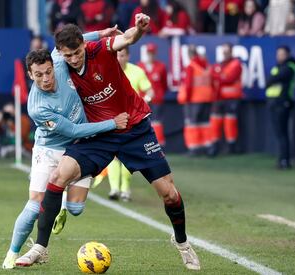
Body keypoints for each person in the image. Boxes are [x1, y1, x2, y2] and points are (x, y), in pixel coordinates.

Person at [16, 13, 201, 271]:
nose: (73, 59)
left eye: (77, 52)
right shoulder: (59, 63)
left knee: (169, 194)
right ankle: (40, 247)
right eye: (67, 55)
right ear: (60, 54)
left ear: (83, 45)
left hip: (134, 128)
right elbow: (70, 123)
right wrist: (111, 123)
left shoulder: (98, 50)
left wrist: (138, 29)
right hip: (99, 134)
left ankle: (181, 242)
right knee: (58, 177)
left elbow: (125, 39)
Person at [2, 29, 129, 269]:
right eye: (39, 75)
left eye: (48, 72)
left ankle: (61, 199)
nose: (46, 78)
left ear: (54, 64)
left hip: (79, 147)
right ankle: (12, 252)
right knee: (34, 206)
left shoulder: (60, 60)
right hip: (49, 149)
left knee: (76, 209)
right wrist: (112, 124)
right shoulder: (37, 107)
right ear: (30, 75)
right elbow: (71, 130)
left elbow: (76, 41)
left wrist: (104, 33)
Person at [105, 46, 153, 201]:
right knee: (112, 155)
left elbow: (149, 90)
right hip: (113, 119)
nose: (120, 58)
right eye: (118, 55)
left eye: (123, 55)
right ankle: (114, 189)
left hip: (133, 120)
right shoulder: (107, 72)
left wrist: (146, 99)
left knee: (127, 155)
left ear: (128, 56)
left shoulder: (137, 71)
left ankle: (125, 189)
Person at [178, 45, 214, 156]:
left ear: (189, 54)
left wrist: (187, 99)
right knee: (205, 123)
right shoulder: (207, 66)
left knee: (191, 124)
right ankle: (208, 147)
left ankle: (194, 148)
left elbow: (188, 85)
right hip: (207, 99)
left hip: (194, 100)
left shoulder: (191, 66)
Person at [265, 46, 295, 169]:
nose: (279, 56)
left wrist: (271, 81)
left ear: (287, 55)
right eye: (278, 54)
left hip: (283, 102)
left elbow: (274, 79)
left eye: (282, 54)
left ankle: (285, 160)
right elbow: (270, 80)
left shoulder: (289, 67)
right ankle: (282, 159)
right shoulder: (278, 67)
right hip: (275, 102)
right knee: (279, 134)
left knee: (282, 134)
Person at [210, 43, 243, 156]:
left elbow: (229, 78)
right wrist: (218, 76)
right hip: (219, 98)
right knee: (216, 121)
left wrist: (217, 76)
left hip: (231, 98)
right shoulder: (220, 65)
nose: (225, 53)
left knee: (230, 122)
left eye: (227, 51)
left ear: (231, 51)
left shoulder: (236, 64)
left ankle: (231, 146)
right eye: (223, 51)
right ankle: (215, 145)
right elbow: (213, 75)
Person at [138, 43, 168, 145]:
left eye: (152, 53)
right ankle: (145, 143)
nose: (151, 55)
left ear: (155, 54)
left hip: (157, 99)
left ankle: (158, 143)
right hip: (143, 99)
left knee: (157, 121)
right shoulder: (140, 66)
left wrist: (160, 93)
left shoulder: (161, 66)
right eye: (149, 53)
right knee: (143, 122)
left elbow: (164, 83)